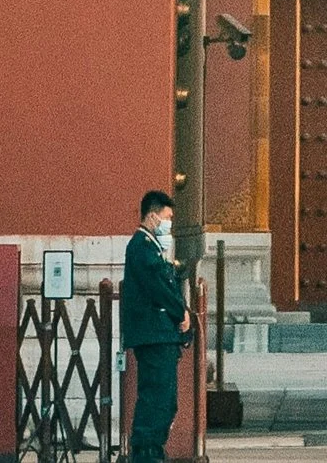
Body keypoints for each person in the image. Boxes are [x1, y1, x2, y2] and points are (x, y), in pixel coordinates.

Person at [121, 188, 192, 463]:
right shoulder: (141, 247)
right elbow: (159, 287)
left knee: (165, 399)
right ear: (152, 216)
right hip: (153, 335)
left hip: (159, 335)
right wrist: (180, 312)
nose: (170, 223)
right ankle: (146, 453)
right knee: (156, 398)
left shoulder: (151, 246)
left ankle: (153, 451)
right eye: (167, 217)